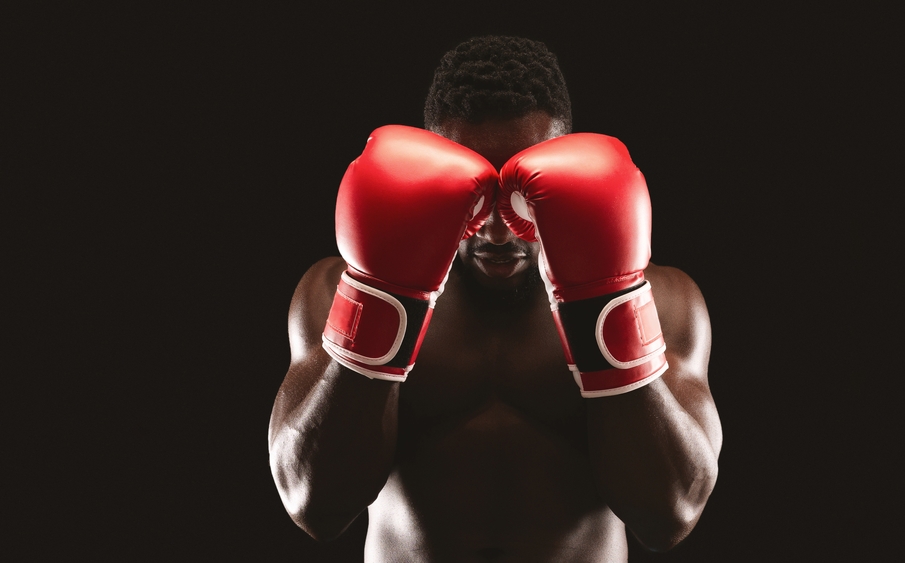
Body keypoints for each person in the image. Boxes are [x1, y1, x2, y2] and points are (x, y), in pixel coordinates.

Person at [268, 35, 722, 562]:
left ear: (568, 162)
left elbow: (671, 516)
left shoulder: (661, 302)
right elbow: (313, 505)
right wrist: (384, 297)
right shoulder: (335, 292)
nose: (498, 232)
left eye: (520, 195)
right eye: (476, 193)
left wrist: (606, 306)